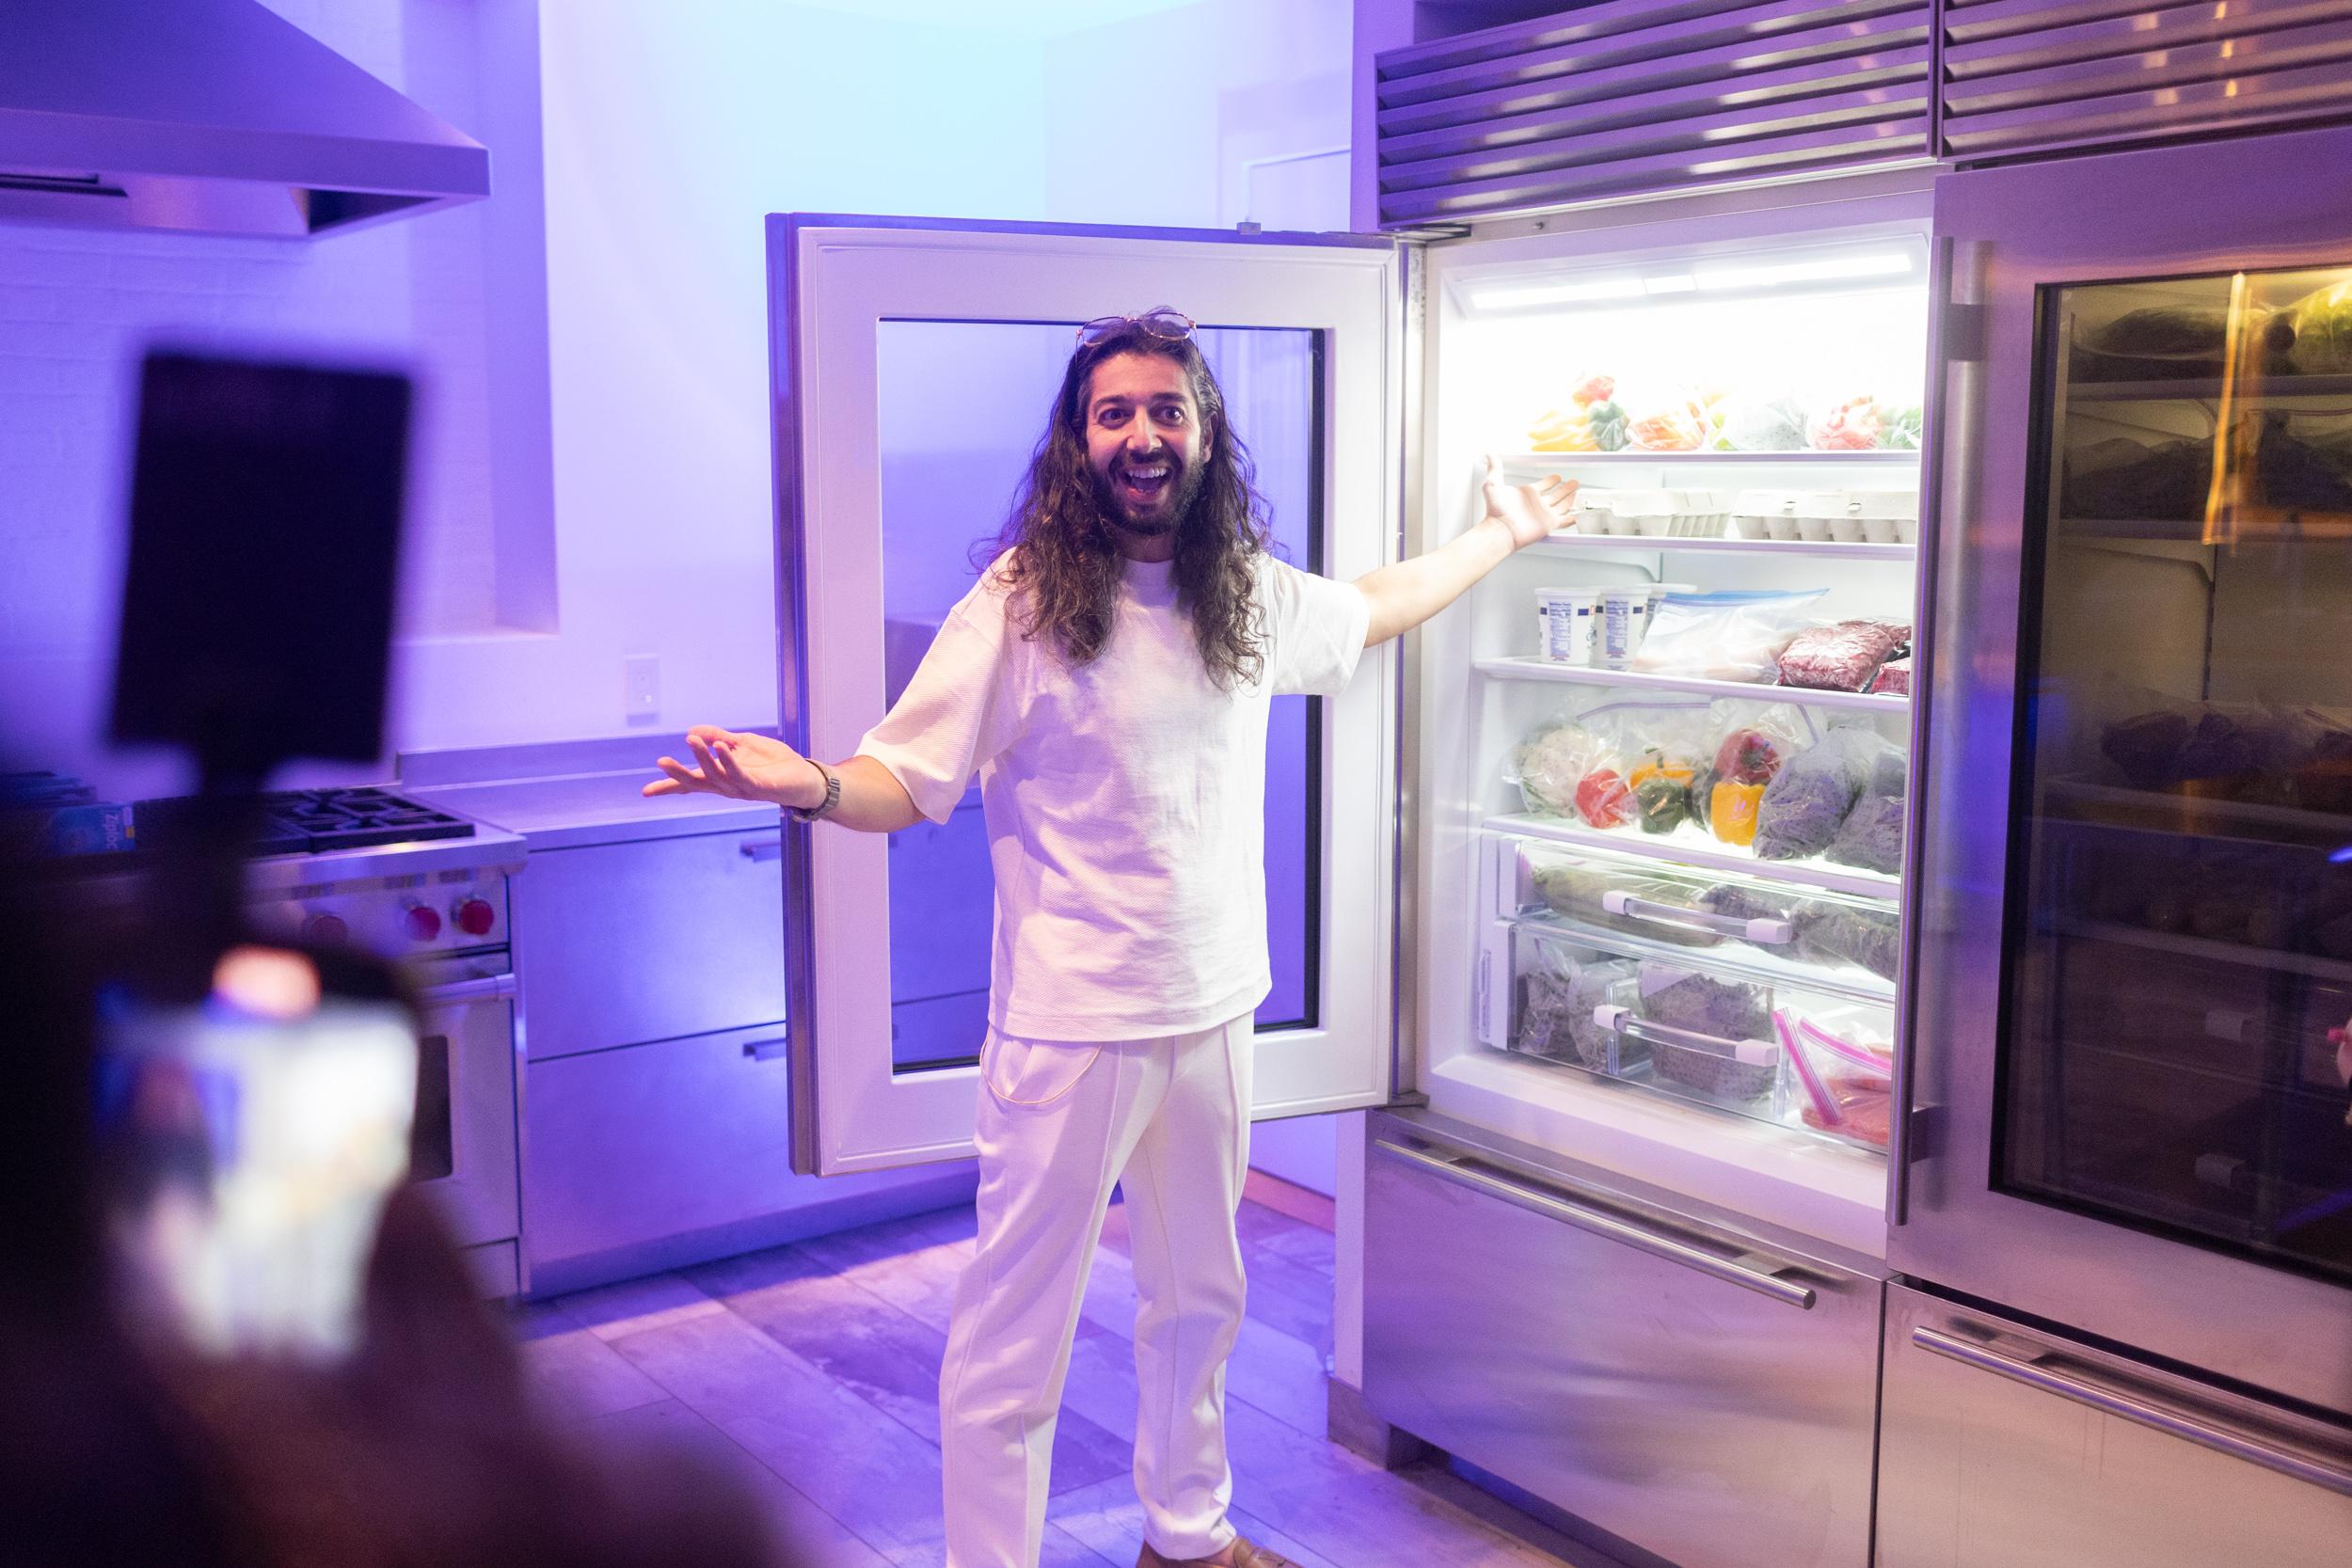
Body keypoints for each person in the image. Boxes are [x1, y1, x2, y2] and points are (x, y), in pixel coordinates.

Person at [646, 308, 1575, 1568]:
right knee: (1015, 1338)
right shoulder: (1021, 605)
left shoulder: (1239, 593)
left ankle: (1188, 1539)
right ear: (1078, 442)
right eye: (1114, 412)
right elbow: (902, 779)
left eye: (1167, 411)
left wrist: (1504, 532)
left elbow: (1369, 606)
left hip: (1213, 1008)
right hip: (1071, 1031)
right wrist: (806, 783)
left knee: (1202, 1302)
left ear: (1205, 437)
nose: (1143, 434)